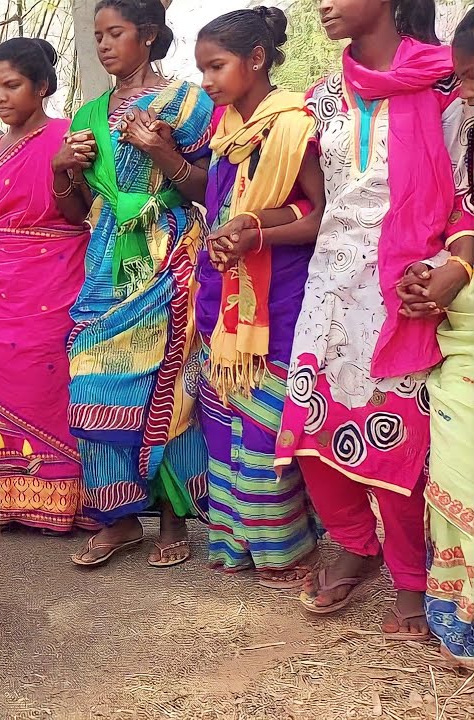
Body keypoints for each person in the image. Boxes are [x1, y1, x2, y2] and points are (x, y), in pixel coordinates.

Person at [279, 0, 472, 642]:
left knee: (396, 437)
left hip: (408, 283)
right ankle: (356, 546)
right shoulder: (320, 98)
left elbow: (465, 195)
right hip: (330, 281)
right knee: (313, 430)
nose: (325, 4)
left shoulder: (447, 84)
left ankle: (412, 578)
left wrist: (451, 269)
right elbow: (311, 200)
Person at [60, 0, 214, 568]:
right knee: (93, 379)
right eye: (97, 35)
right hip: (106, 257)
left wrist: (163, 152)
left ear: (146, 35)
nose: (102, 44)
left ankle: (173, 518)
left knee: (169, 383)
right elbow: (77, 207)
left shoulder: (189, 103)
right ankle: (118, 517)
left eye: (114, 32)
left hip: (168, 249)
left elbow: (208, 187)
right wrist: (64, 170)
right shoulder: (88, 113)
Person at [193, 8, 324, 587]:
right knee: (223, 423)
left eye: (216, 67)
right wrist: (229, 237)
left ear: (257, 59)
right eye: (202, 70)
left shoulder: (294, 125)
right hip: (222, 291)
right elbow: (222, 208)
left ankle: (284, 549)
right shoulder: (226, 131)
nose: (208, 82)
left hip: (279, 296)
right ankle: (236, 541)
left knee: (267, 428)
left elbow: (320, 214)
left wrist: (257, 232)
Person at [0, 39, 92, 532]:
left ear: (43, 87)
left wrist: (61, 171)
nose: (0, 96)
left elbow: (78, 212)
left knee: (45, 381)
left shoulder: (70, 133)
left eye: (11, 85)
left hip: (54, 271)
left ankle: (54, 501)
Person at [418, 5, 474, 668]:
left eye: (473, 79)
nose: (463, 94)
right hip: (464, 326)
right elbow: (462, 215)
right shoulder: (464, 127)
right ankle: (461, 612)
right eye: (459, 79)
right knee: (459, 458)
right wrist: (446, 269)